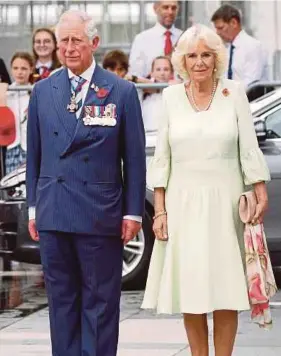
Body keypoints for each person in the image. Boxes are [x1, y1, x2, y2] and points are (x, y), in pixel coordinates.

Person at [142, 24, 270, 356]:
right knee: (192, 287)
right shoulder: (170, 97)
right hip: (182, 202)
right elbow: (162, 157)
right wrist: (160, 209)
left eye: (206, 55)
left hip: (227, 201)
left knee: (226, 288)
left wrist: (260, 190)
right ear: (182, 60)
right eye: (193, 55)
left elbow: (248, 147)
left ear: (217, 58)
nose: (200, 62)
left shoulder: (234, 92)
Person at [26, 9, 146, 356]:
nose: (68, 48)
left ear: (93, 42)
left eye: (75, 40)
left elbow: (134, 158)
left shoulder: (120, 91)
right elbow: (35, 155)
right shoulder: (42, 91)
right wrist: (34, 208)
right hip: (53, 212)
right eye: (63, 41)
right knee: (61, 304)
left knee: (100, 304)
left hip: (100, 214)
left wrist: (134, 213)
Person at [211, 4, 268, 88]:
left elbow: (251, 83)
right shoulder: (228, 49)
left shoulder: (253, 47)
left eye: (221, 28)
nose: (218, 33)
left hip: (251, 99)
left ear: (234, 23)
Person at [129, 0, 182, 78]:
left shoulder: (185, 38)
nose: (170, 12)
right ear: (155, 8)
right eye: (165, 7)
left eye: (174, 8)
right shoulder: (142, 39)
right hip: (150, 89)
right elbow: (135, 74)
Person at [3, 52, 33, 173]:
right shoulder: (5, 94)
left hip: (30, 147)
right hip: (12, 147)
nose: (19, 72)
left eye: (24, 68)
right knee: (11, 187)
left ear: (31, 69)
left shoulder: (36, 92)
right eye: (16, 68)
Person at [142, 56, 174, 132]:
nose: (162, 73)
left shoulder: (176, 88)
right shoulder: (143, 88)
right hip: (148, 135)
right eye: (158, 69)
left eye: (166, 69)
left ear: (172, 73)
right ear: (152, 73)